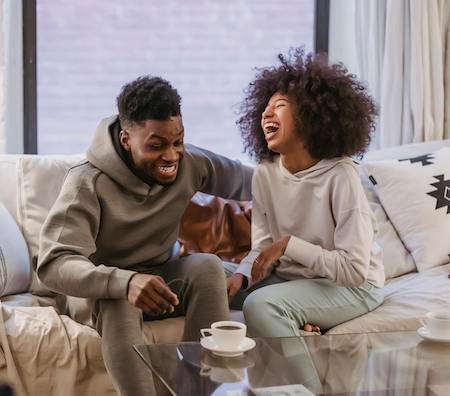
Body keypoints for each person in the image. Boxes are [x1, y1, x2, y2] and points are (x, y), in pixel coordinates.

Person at [37, 76, 253, 396]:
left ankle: (201, 391)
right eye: (156, 146)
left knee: (207, 266)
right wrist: (124, 282)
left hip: (160, 278)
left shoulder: (190, 163)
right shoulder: (87, 182)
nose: (171, 156)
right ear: (126, 139)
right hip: (100, 290)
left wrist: (317, 175)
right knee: (120, 303)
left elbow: (255, 182)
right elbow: (53, 264)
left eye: (177, 142)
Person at [226, 48, 385, 338]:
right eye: (265, 107)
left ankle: (304, 385)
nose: (266, 113)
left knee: (261, 305)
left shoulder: (341, 175)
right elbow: (262, 249)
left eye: (280, 105)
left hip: (353, 287)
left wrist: (288, 245)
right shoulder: (265, 171)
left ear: (312, 116)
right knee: (211, 280)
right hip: (292, 280)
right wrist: (241, 274)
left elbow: (354, 271)